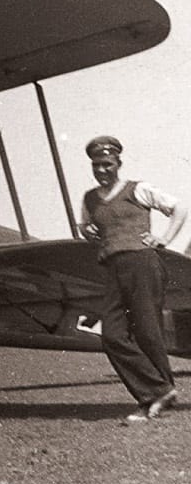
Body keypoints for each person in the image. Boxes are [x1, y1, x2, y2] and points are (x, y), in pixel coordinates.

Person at [80, 136, 186, 423]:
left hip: (142, 263)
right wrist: (87, 231)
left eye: (107, 164)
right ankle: (160, 390)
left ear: (118, 163)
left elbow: (178, 208)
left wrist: (163, 238)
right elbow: (86, 227)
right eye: (96, 165)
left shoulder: (138, 189)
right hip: (112, 268)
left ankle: (152, 399)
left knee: (148, 332)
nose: (102, 170)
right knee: (112, 335)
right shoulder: (89, 198)